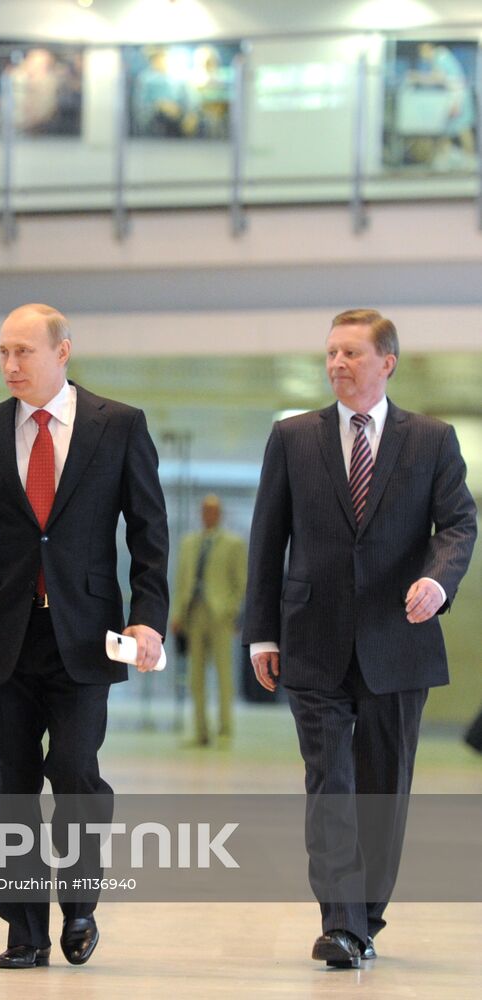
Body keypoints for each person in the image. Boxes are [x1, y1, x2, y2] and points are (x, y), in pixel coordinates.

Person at [0, 304, 169, 971]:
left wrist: (148, 616)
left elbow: (149, 532)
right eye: (3, 352)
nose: (10, 365)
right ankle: (24, 927)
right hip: (3, 632)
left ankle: (80, 903)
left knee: (75, 769)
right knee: (5, 784)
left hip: (85, 635)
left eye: (24, 352)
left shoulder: (118, 425)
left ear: (63, 352)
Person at [244, 308, 476, 969]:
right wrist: (261, 634)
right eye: (331, 353)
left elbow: (459, 524)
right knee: (330, 782)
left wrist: (437, 582)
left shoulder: (431, 440)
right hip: (312, 640)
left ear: (387, 363)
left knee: (383, 789)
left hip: (398, 641)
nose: (337, 364)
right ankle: (341, 921)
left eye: (351, 353)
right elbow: (267, 539)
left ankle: (365, 915)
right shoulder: (293, 438)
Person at [171, 494, 246, 746]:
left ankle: (225, 730)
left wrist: (231, 611)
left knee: (224, 676)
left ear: (220, 514)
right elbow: (182, 580)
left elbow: (241, 583)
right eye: (204, 510)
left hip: (220, 617)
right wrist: (178, 614)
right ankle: (201, 731)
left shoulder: (233, 544)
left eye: (213, 510)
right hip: (194, 614)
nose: (208, 515)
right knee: (196, 678)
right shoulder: (189, 543)